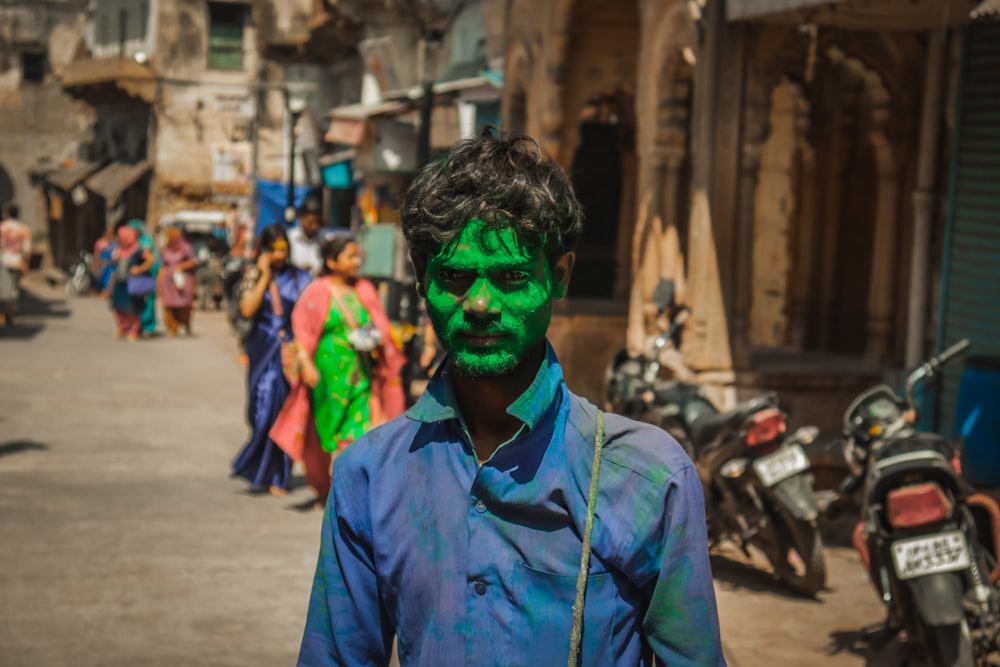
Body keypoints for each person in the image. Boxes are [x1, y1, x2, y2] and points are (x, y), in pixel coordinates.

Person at [297, 130, 725, 666]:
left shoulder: (648, 477)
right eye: (454, 277)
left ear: (559, 276)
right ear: (420, 277)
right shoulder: (370, 475)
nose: (478, 303)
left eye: (510, 277)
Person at [270, 234, 406, 507]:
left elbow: (380, 325)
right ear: (332, 261)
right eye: (350, 256)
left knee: (357, 433)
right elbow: (301, 330)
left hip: (361, 376)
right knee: (323, 433)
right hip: (326, 381)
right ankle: (323, 486)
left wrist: (378, 341)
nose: (357, 261)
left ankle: (349, 490)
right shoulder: (317, 291)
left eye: (358, 256)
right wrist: (306, 364)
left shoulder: (365, 289)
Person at [232, 223, 312, 496]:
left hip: (290, 351)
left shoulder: (300, 277)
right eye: (273, 250)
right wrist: (264, 273)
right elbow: (247, 308)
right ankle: (260, 470)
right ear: (264, 250)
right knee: (260, 410)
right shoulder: (253, 274)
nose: (279, 255)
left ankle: (280, 475)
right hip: (262, 348)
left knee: (284, 411)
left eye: (283, 249)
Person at [108, 223, 155, 341]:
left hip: (132, 283)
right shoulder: (120, 249)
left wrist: (139, 269)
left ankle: (134, 330)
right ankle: (123, 328)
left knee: (132, 308)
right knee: (118, 307)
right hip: (119, 282)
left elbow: (151, 260)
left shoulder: (137, 249)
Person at [159, 225, 198, 336]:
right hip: (168, 281)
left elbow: (193, 261)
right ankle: (172, 327)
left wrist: (180, 267)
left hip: (182, 280)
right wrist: (160, 281)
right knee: (169, 305)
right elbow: (163, 265)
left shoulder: (186, 247)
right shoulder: (166, 248)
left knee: (184, 305)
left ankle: (186, 324)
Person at [0, 203, 31, 327]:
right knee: (13, 289)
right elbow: (27, 250)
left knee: (3, 288)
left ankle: (3, 313)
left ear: (7, 213)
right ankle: (9, 313)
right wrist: (26, 264)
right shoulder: (23, 229)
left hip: (2, 261)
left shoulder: (2, 228)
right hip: (17, 261)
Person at [128, 219, 159, 337]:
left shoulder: (145, 242)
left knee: (147, 302)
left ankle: (147, 327)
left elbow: (150, 259)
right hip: (138, 278)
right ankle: (138, 326)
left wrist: (139, 269)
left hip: (146, 277)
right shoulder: (134, 241)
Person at [288, 193, 325, 275]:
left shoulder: (325, 240)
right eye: (310, 223)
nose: (315, 226)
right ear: (301, 218)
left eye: (318, 222)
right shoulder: (290, 238)